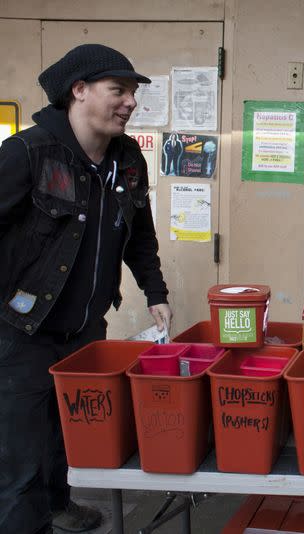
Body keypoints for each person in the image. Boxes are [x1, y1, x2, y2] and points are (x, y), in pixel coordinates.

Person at [0, 44, 172, 534]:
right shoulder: (29, 152)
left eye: (132, 92)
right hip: (20, 330)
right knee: (20, 453)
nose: (130, 102)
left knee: (65, 431)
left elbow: (140, 233)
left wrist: (155, 291)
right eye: (118, 89)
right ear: (78, 92)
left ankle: (58, 505)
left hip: (84, 327)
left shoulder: (127, 160)